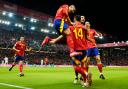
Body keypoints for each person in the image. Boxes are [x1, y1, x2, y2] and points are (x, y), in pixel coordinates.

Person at [69, 15, 92, 87]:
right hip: (84, 50)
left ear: (75, 19)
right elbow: (87, 37)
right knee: (83, 66)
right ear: (80, 19)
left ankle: (86, 74)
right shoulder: (84, 28)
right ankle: (85, 83)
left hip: (76, 50)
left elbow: (68, 37)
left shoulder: (71, 27)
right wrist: (92, 40)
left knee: (76, 67)